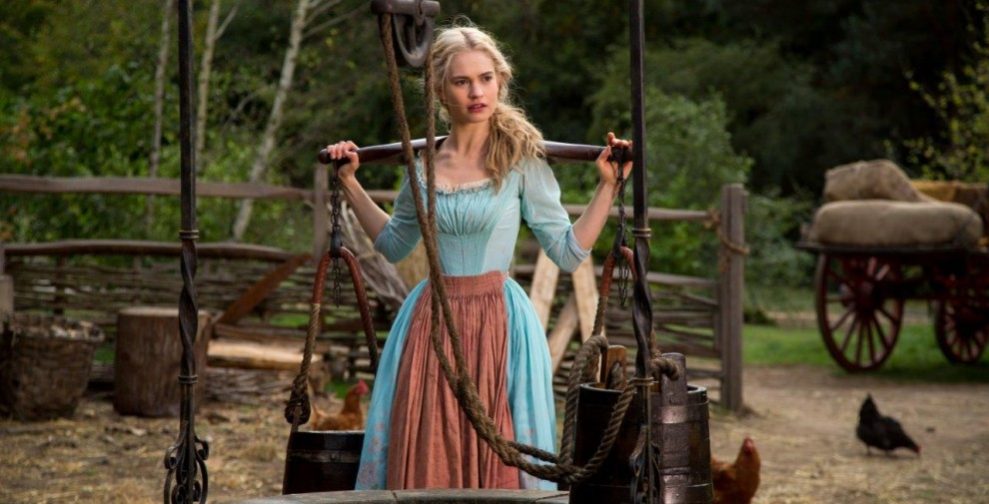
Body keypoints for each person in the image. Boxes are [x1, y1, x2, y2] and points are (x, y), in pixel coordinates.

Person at [324, 23, 632, 491]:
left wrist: (608, 188)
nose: (476, 92)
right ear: (439, 91)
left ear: (500, 82)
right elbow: (393, 243)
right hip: (432, 323)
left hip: (499, 325)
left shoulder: (521, 159)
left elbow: (568, 253)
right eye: (462, 81)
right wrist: (349, 183)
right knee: (427, 445)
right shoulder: (423, 164)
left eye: (486, 79)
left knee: (498, 451)